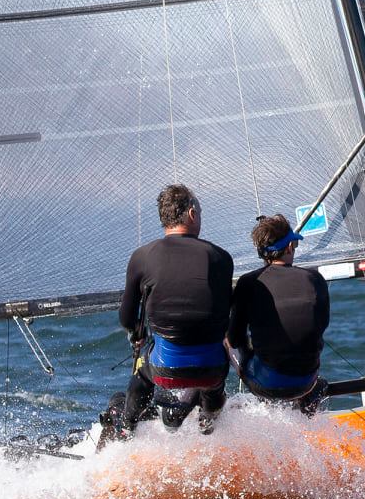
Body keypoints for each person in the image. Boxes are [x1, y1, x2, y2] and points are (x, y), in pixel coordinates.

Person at [98, 185, 234, 447]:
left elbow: (127, 318)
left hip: (164, 369)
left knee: (143, 373)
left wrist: (137, 334)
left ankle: (128, 425)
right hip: (212, 368)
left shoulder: (142, 256)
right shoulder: (221, 257)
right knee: (215, 382)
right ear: (192, 214)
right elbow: (222, 312)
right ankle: (208, 418)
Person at [227, 214, 331, 414]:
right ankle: (304, 399)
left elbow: (235, 338)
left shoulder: (248, 282)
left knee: (226, 341)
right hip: (308, 379)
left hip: (268, 386)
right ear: (290, 247)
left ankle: (211, 402)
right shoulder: (314, 278)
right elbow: (321, 324)